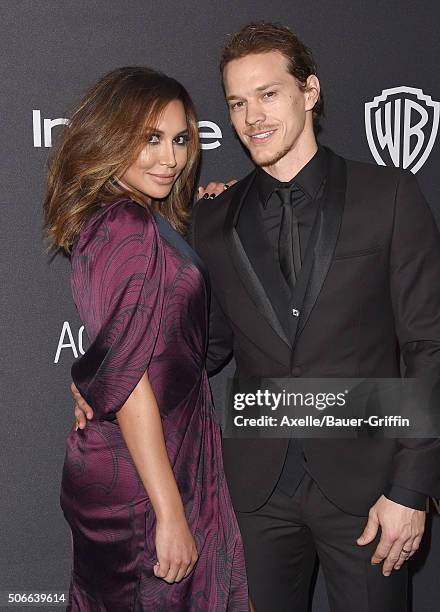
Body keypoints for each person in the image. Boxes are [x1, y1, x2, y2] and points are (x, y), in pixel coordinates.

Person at [73, 23, 440, 612]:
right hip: (252, 493)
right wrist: (103, 378)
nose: (251, 116)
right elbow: (199, 346)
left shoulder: (390, 196)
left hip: (369, 488)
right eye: (236, 103)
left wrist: (410, 489)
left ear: (310, 92)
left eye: (268, 94)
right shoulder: (211, 219)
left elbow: (433, 347)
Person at [44, 66, 249, 611]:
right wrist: (170, 512)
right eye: (151, 139)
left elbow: (169, 345)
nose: (171, 158)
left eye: (180, 139)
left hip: (159, 455)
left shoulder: (138, 218)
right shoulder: (125, 226)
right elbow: (131, 379)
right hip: (141, 480)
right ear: (112, 138)